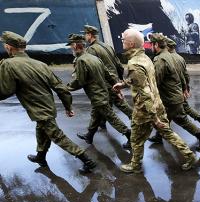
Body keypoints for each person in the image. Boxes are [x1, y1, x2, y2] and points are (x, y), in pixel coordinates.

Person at [0, 31, 96, 173]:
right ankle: (41, 156)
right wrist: (68, 106)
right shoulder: (40, 64)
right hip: (48, 107)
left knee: (57, 136)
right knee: (41, 130)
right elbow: (60, 88)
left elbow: (6, 90)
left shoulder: (8, 64)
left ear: (8, 47)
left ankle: (87, 160)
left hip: (38, 109)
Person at [112, 29, 196, 172]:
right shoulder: (145, 58)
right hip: (158, 105)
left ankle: (135, 165)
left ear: (131, 43)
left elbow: (145, 92)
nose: (122, 41)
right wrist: (124, 83)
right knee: (167, 132)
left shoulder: (134, 63)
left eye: (123, 39)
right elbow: (141, 80)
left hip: (145, 109)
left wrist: (154, 118)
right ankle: (189, 155)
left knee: (136, 139)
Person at [66, 34, 131, 148]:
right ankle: (89, 135)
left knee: (111, 117)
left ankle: (128, 135)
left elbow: (80, 81)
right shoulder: (95, 58)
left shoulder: (81, 61)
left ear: (76, 46)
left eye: (71, 45)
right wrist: (115, 87)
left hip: (97, 96)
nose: (71, 48)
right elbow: (108, 75)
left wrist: (65, 88)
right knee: (96, 115)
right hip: (103, 93)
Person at [148, 33, 200, 150]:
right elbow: (182, 75)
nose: (150, 47)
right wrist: (185, 88)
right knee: (164, 119)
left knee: (182, 120)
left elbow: (155, 81)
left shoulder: (160, 59)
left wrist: (150, 96)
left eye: (151, 44)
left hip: (170, 98)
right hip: (174, 96)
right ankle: (158, 136)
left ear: (156, 45)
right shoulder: (172, 56)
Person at [82, 25, 132, 130]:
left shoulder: (91, 50)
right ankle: (100, 124)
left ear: (90, 35)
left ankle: (136, 122)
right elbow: (119, 66)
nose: (84, 36)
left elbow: (94, 70)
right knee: (105, 105)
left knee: (117, 104)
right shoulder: (107, 46)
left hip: (106, 83)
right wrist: (118, 80)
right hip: (114, 80)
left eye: (85, 34)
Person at [165, 37, 200, 131]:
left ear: (168, 47)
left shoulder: (169, 58)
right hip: (180, 86)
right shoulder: (180, 58)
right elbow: (185, 74)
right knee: (182, 108)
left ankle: (161, 134)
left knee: (172, 109)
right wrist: (186, 87)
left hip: (174, 88)